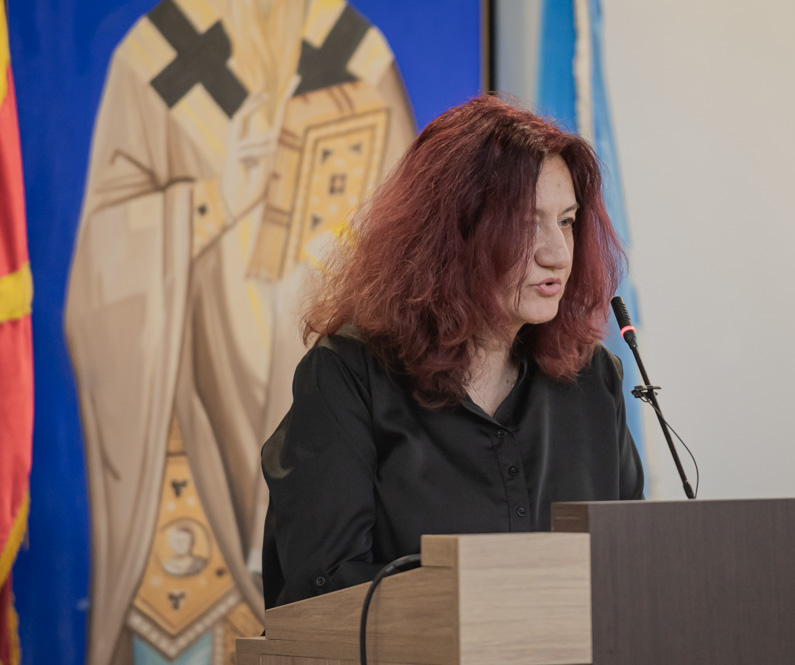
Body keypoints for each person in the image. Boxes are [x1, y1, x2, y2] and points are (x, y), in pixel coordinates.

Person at [64, 1, 415, 662]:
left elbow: (412, 254)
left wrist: (321, 259)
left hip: (333, 438)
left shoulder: (355, 56)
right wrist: (215, 200)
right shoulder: (158, 57)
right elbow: (99, 281)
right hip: (193, 436)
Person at [261, 95, 644, 609]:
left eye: (567, 221)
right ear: (452, 231)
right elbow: (323, 588)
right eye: (527, 223)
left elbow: (630, 566)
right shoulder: (349, 376)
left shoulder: (594, 381)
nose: (558, 254)